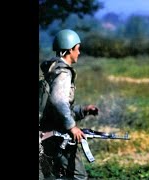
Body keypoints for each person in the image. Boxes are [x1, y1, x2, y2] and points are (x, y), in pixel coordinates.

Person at [39, 29, 99, 180]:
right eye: (77, 49)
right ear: (70, 49)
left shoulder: (51, 70)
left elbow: (55, 106)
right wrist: (72, 127)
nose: (79, 53)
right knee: (78, 176)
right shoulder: (63, 73)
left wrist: (83, 111)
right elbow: (58, 102)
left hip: (46, 134)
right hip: (58, 137)